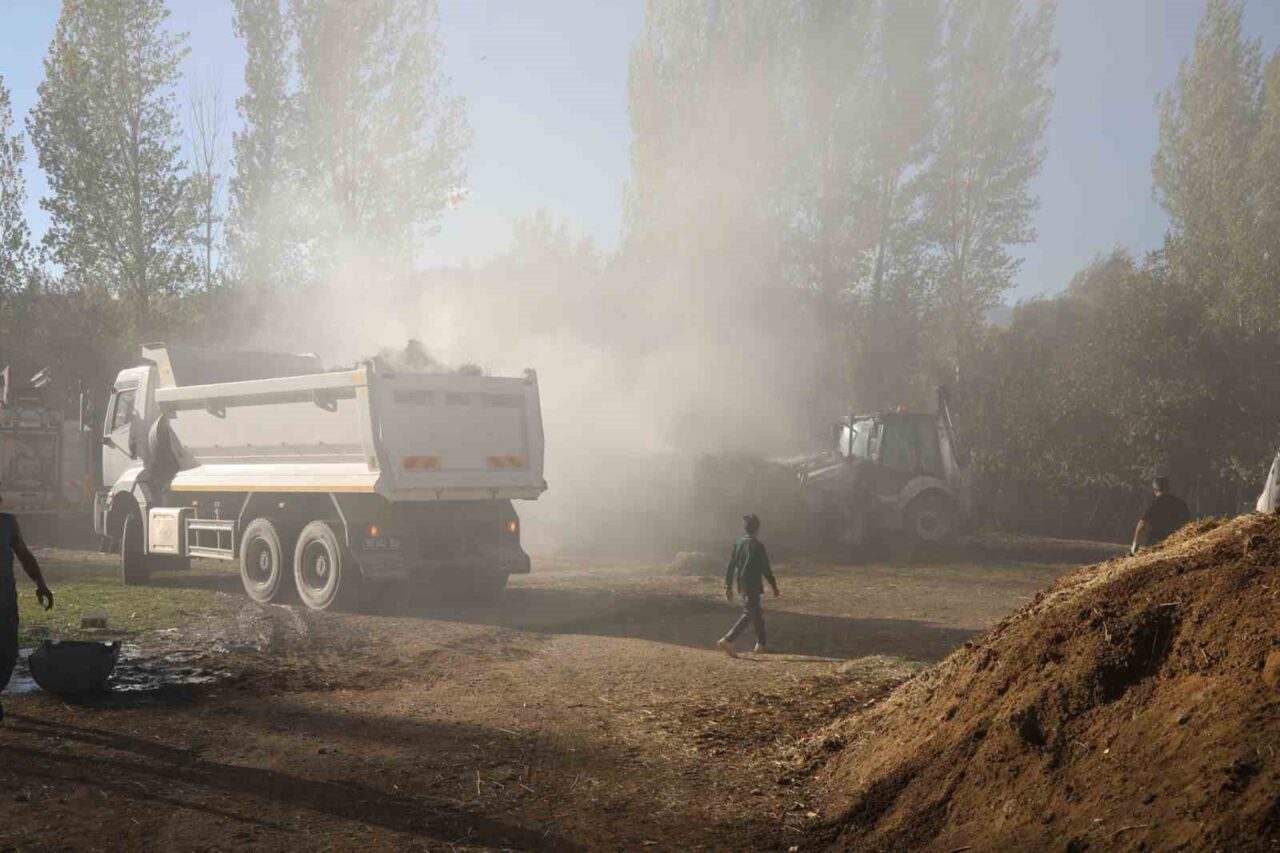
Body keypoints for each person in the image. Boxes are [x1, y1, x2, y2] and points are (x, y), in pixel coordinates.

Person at [1, 484, 55, 722]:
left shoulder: (7, 523)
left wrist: (40, 584)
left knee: (8, 652)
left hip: (4, 601)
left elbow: (24, 555)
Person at [717, 513, 779, 658]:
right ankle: (727, 640)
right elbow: (765, 568)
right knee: (749, 613)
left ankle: (761, 644)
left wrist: (728, 586)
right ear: (758, 528)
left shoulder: (739, 544)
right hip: (753, 583)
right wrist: (773, 585)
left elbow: (731, 565)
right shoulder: (758, 546)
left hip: (742, 583)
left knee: (757, 613)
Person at [1131, 476, 1191, 555]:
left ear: (1155, 490)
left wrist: (1135, 545)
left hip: (1158, 546)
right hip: (1179, 544)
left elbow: (1142, 525)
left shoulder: (1156, 504)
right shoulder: (1181, 503)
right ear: (1168, 488)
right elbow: (1189, 524)